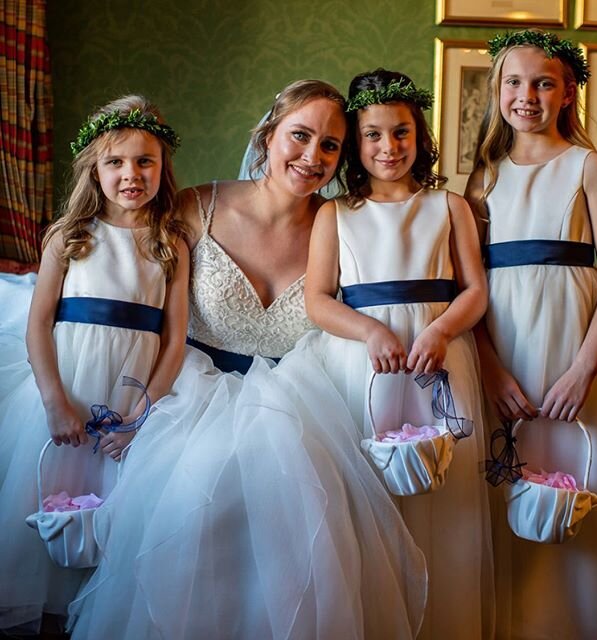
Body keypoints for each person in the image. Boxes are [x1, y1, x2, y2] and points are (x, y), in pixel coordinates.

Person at [68, 79, 428, 640]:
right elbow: (144, 299)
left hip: (296, 396)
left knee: (309, 522)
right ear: (268, 135)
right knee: (193, 499)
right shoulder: (197, 207)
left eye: (330, 146)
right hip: (193, 389)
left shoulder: (342, 224)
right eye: (300, 136)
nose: (312, 157)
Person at [303, 68, 494, 640]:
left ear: (421, 136)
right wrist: (367, 331)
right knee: (370, 493)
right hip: (363, 364)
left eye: (402, 133)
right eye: (374, 135)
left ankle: (443, 621)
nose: (389, 147)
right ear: (357, 143)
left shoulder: (449, 205)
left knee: (443, 495)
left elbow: (476, 291)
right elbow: (317, 299)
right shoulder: (335, 213)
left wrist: (439, 333)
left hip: (439, 357)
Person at [465, 30, 597, 639]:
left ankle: (578, 622)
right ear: (498, 91)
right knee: (511, 484)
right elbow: (471, 286)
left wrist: (584, 367)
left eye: (543, 83)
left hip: (576, 351)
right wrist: (487, 364)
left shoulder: (587, 166)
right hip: (507, 354)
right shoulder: (483, 178)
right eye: (514, 82)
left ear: (568, 93)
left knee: (579, 482)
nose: (527, 95)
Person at [0, 95, 189, 634]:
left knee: (110, 515)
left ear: (162, 168)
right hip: (69, 390)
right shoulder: (69, 237)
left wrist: (139, 416)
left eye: (145, 161)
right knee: (51, 505)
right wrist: (56, 402)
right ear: (94, 169)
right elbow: (39, 326)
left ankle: (98, 617)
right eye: (116, 162)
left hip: (128, 400)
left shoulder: (170, 243)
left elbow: (174, 340)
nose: (131, 174)